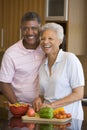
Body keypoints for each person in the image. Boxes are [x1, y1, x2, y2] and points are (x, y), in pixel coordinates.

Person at [33, 23, 85, 120]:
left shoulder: (70, 59)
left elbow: (78, 94)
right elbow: (42, 95)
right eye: (43, 38)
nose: (45, 42)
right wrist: (38, 99)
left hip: (69, 118)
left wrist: (52, 105)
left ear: (60, 41)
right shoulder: (42, 65)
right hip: (48, 117)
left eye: (50, 38)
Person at [0, 12, 45, 105]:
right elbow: (4, 84)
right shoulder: (11, 53)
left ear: (40, 28)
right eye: (25, 29)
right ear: (21, 29)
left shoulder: (46, 49)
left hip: (44, 106)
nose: (29, 32)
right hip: (19, 107)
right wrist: (18, 106)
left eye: (34, 28)